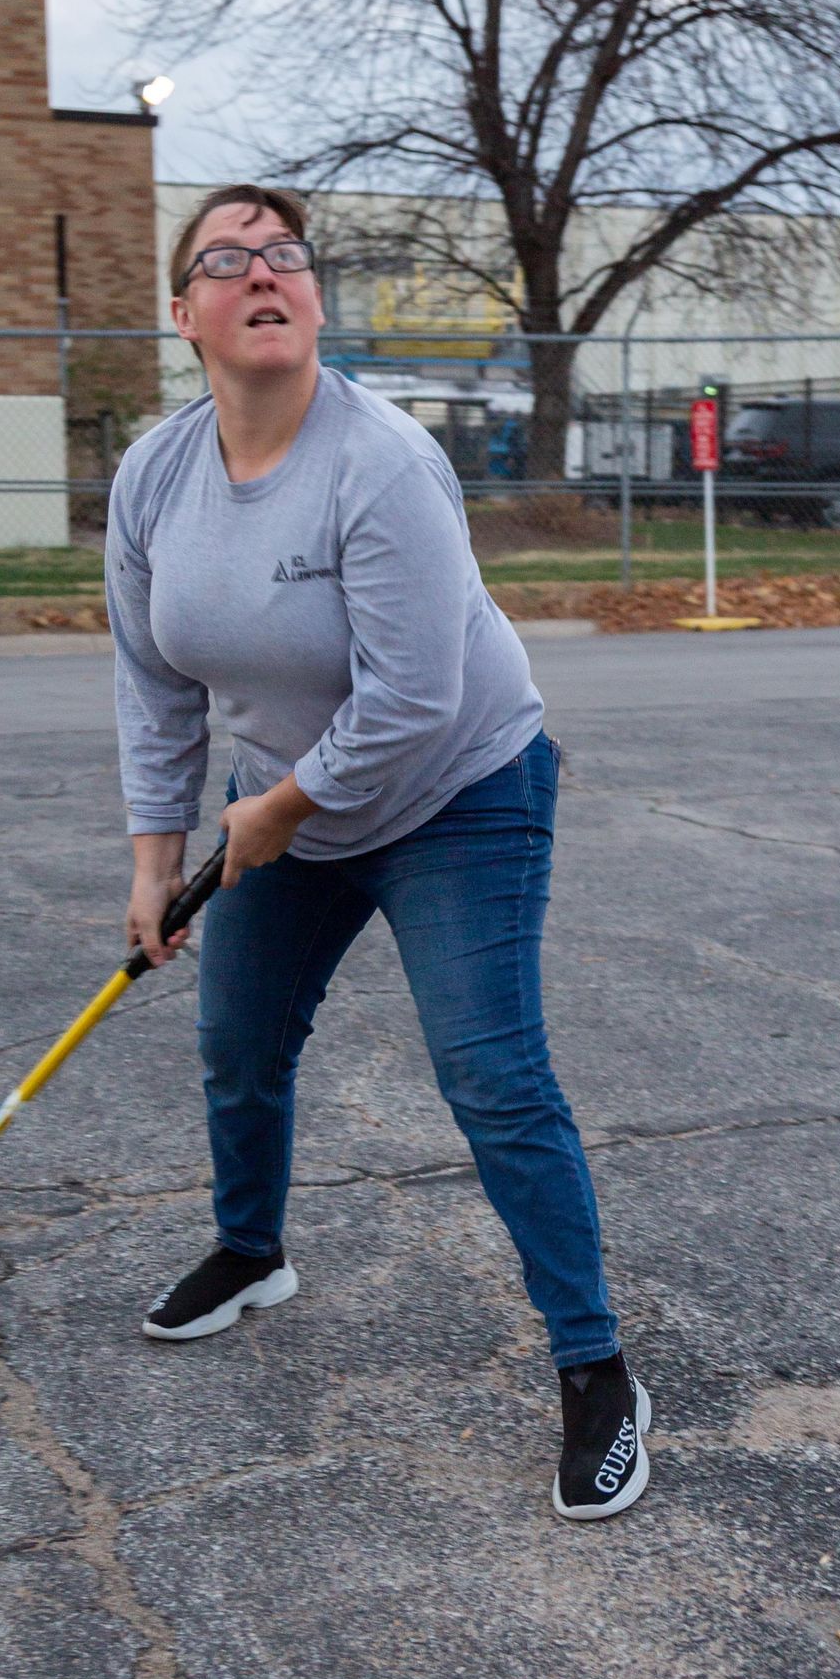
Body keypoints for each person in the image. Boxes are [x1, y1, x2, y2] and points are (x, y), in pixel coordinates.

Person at [105, 182, 648, 1522]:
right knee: (240, 1040)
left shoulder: (383, 460)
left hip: (458, 788)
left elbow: (413, 696)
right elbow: (153, 683)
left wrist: (277, 817)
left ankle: (599, 1376)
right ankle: (250, 1252)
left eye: (284, 256)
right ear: (187, 316)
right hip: (281, 795)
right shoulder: (153, 477)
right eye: (226, 261)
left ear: (313, 301)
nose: (262, 274)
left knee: (491, 1074)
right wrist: (151, 862)